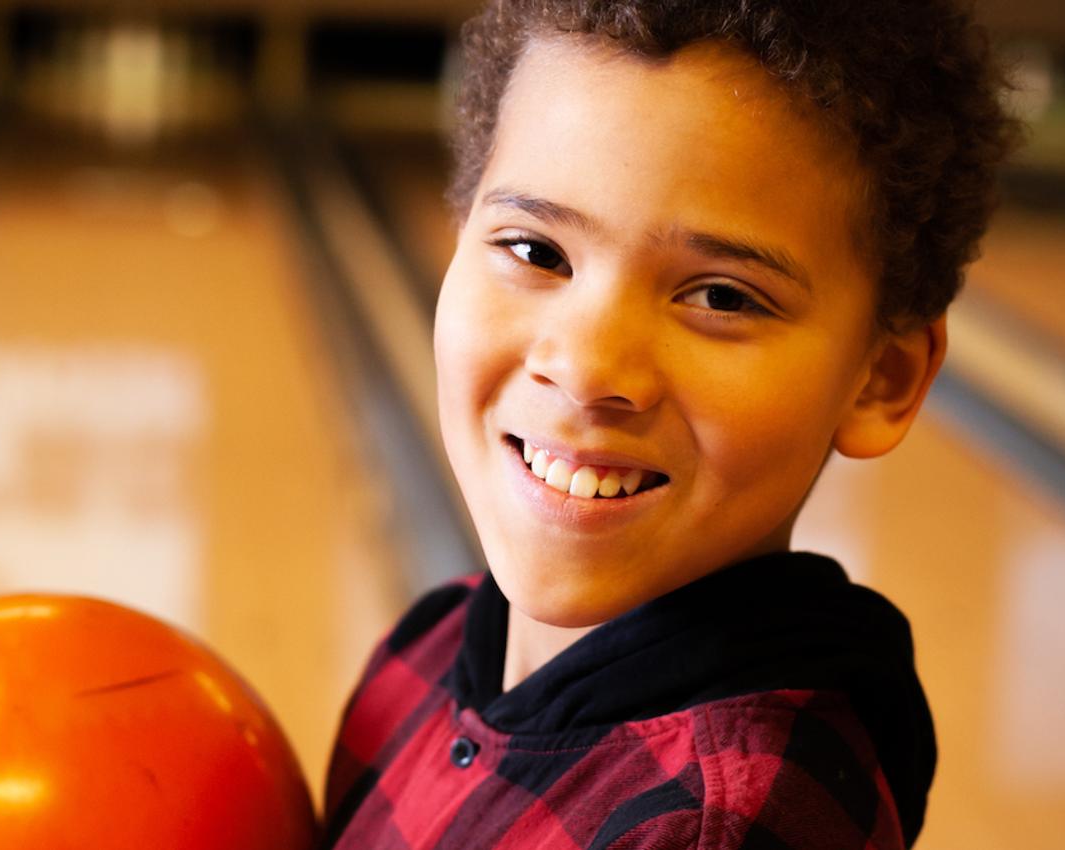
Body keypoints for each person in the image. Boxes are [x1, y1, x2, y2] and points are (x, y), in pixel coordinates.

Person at [320, 1, 1019, 847]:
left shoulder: (720, 826)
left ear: (883, 380)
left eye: (721, 296)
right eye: (537, 251)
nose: (586, 369)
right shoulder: (427, 652)